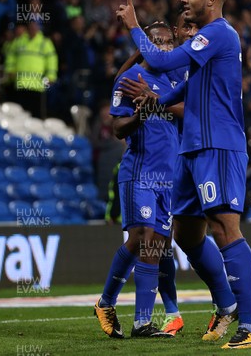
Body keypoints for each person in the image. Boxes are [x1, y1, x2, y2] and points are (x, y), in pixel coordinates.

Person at [117, 0, 251, 349]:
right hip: (192, 147)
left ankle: (250, 326)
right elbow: (188, 85)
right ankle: (226, 301)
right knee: (185, 233)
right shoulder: (208, 39)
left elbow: (164, 63)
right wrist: (156, 101)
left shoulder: (219, 33)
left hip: (217, 145)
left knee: (225, 229)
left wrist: (135, 27)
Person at [94, 22, 179, 339]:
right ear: (145, 45)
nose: (164, 46)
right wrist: (142, 114)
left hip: (167, 177)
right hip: (139, 172)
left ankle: (131, 315)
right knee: (143, 237)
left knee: (152, 246)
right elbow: (118, 129)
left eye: (167, 42)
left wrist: (158, 98)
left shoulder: (173, 80)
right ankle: (125, 313)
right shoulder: (128, 80)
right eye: (156, 41)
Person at [4, 21, 57, 118]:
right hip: (21, 83)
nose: (33, 28)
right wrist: (10, 70)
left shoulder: (45, 42)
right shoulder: (19, 41)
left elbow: (52, 60)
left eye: (35, 26)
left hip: (37, 85)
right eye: (31, 26)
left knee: (36, 115)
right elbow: (10, 55)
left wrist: (51, 77)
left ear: (39, 28)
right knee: (19, 114)